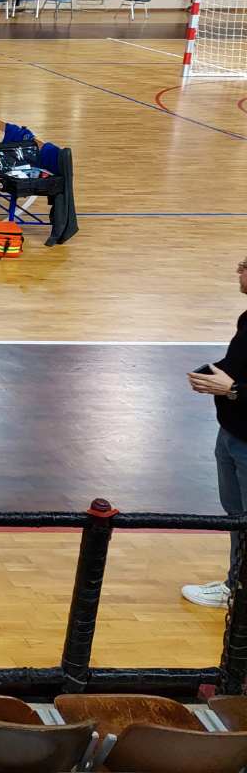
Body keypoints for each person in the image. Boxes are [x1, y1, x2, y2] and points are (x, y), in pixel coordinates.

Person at [180, 256, 247, 608]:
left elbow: (237, 383)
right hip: (232, 434)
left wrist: (233, 390)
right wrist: (212, 373)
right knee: (237, 517)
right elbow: (237, 366)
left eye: (245, 266)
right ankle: (236, 587)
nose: (238, 270)